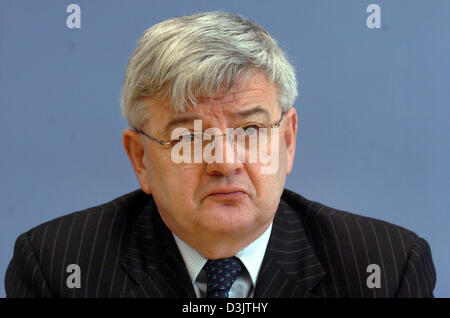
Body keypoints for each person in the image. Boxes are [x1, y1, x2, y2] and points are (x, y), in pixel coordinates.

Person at [5, 11, 435, 298]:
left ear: (287, 141)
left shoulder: (384, 269)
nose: (225, 162)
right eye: (190, 138)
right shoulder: (58, 267)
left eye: (249, 130)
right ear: (140, 159)